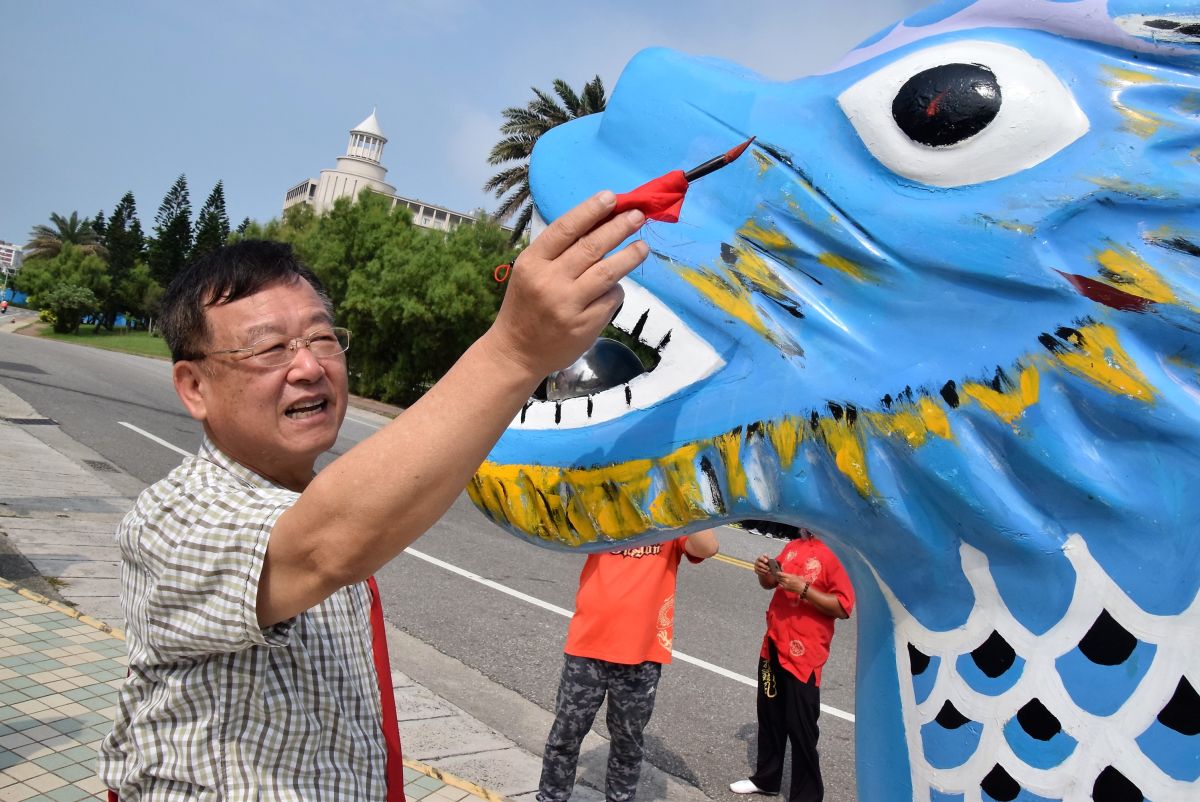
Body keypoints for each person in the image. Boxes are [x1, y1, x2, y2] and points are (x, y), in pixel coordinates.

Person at [98, 191, 650, 800]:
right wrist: (516, 348)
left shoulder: (318, 500)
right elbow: (324, 547)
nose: (308, 366)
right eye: (268, 348)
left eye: (322, 338)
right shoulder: (169, 520)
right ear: (194, 386)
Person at [538, 528, 719, 802]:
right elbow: (562, 526)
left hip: (641, 656)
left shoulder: (672, 519)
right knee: (565, 734)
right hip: (588, 646)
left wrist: (679, 488)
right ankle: (551, 797)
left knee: (627, 743)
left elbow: (707, 547)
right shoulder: (604, 504)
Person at [730, 524, 854, 802]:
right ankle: (766, 779)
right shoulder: (794, 545)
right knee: (770, 716)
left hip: (805, 654)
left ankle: (807, 795)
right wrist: (764, 572)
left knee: (801, 728)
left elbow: (843, 607)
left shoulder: (838, 553)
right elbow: (770, 585)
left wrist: (805, 589)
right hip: (773, 644)